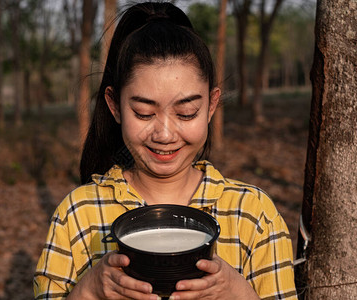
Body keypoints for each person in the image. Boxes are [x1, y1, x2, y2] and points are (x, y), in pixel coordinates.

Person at [34, 2, 297, 299]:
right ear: (114, 106)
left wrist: (236, 290)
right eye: (144, 113)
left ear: (210, 106)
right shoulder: (78, 215)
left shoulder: (253, 215)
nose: (165, 134)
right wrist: (90, 289)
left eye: (186, 113)